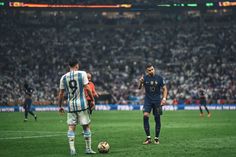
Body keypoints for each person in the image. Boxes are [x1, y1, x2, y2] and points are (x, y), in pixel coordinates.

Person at [58, 59, 96, 155]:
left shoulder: (63, 77)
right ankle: (88, 149)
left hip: (71, 106)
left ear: (69, 66)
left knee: (71, 127)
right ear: (77, 66)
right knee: (86, 127)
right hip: (82, 105)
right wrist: (92, 100)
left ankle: (72, 149)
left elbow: (61, 94)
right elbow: (87, 88)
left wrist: (60, 106)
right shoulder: (82, 74)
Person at [138, 64, 168, 145]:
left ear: (154, 69)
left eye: (152, 69)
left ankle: (156, 138)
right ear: (147, 71)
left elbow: (165, 89)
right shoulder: (144, 78)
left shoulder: (159, 78)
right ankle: (148, 138)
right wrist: (140, 82)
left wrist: (164, 99)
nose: (151, 71)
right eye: (149, 70)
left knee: (157, 119)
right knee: (145, 116)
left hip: (157, 101)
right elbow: (139, 87)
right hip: (148, 101)